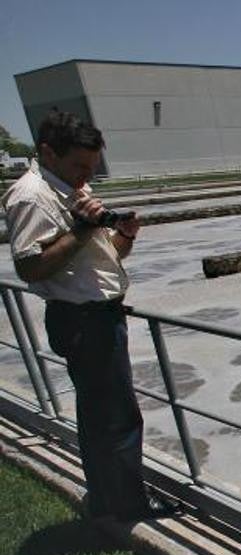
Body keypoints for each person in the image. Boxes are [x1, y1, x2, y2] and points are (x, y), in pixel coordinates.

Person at [2, 111, 168, 521]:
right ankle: (125, 507)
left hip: (99, 317)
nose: (85, 175)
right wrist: (81, 229)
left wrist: (123, 235)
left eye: (91, 168)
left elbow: (102, 256)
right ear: (47, 153)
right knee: (115, 419)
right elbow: (31, 268)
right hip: (84, 322)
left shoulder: (71, 187)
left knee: (106, 415)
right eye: (78, 165)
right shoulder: (32, 196)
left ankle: (110, 499)